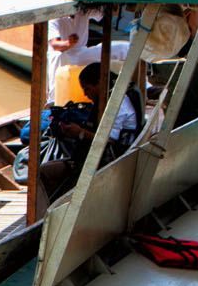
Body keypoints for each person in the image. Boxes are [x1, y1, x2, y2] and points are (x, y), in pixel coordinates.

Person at [38, 62, 147, 201]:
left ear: (100, 82)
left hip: (111, 162)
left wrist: (80, 132)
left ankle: (56, 209)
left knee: (44, 172)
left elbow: (110, 140)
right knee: (48, 169)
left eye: (87, 89)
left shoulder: (118, 102)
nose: (85, 94)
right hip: (101, 158)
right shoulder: (114, 95)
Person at [47, 6, 130, 99]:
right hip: (62, 55)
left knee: (123, 47)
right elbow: (54, 44)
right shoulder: (55, 17)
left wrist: (114, 4)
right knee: (59, 56)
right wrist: (68, 43)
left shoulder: (83, 10)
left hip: (81, 52)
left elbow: (108, 12)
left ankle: (146, 86)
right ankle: (53, 100)